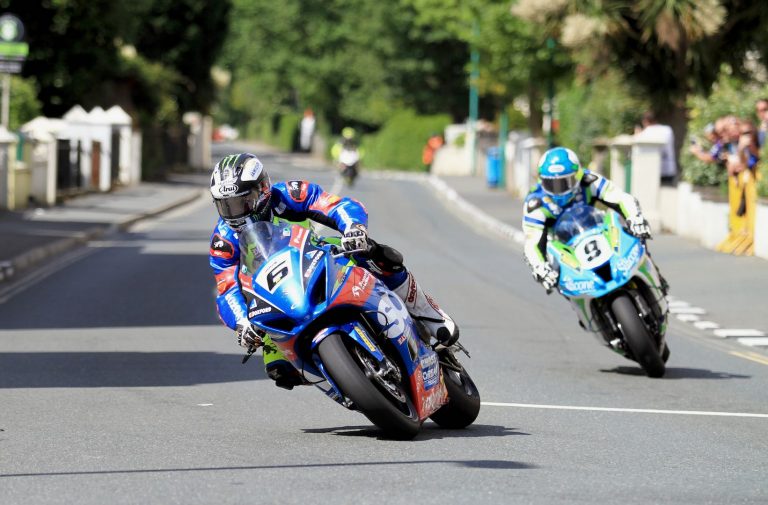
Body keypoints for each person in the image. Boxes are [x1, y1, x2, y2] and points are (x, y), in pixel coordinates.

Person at [208, 153, 459, 389]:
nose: (235, 213)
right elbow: (226, 289)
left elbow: (332, 204)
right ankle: (349, 386)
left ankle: (427, 313)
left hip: (314, 256)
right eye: (226, 206)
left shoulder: (288, 195)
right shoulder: (223, 241)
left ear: (262, 189)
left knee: (374, 255)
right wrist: (242, 324)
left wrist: (353, 228)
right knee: (280, 370)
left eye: (242, 202)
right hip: (276, 296)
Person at [522, 147, 665, 292]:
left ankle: (654, 276)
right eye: (550, 184)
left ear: (577, 176)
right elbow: (532, 242)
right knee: (555, 275)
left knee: (635, 234)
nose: (558, 191)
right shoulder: (535, 203)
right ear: (541, 181)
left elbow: (620, 198)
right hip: (565, 249)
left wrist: (635, 219)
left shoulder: (589, 180)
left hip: (597, 230)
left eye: (564, 183)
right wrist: (539, 266)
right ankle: (583, 311)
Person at [636, 111, 677, 185]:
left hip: (651, 172)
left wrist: (638, 134)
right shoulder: (667, 129)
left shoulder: (646, 132)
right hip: (669, 170)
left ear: (645, 121)